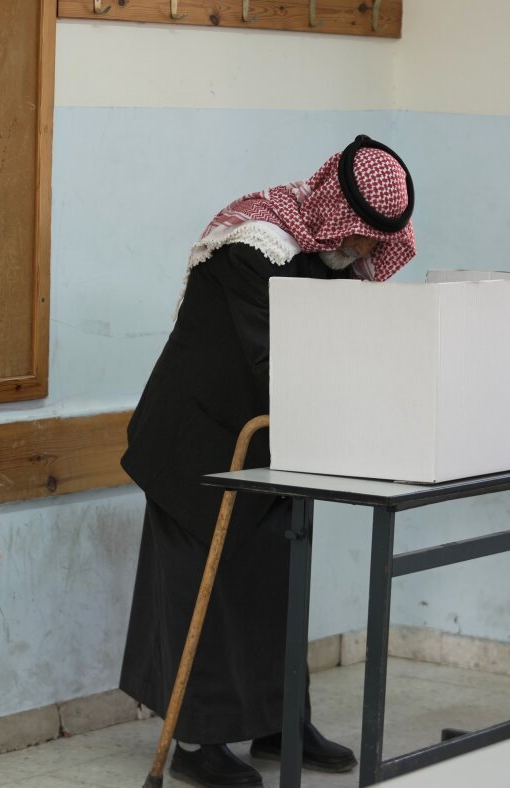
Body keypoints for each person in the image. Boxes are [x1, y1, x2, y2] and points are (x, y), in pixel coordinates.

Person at [119, 135, 417, 788]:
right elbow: (271, 359)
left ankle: (282, 724)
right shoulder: (253, 249)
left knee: (277, 584)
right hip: (196, 441)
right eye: (361, 234)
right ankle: (197, 741)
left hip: (268, 447)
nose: (364, 249)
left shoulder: (331, 257)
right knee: (205, 592)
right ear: (338, 211)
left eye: (376, 240)